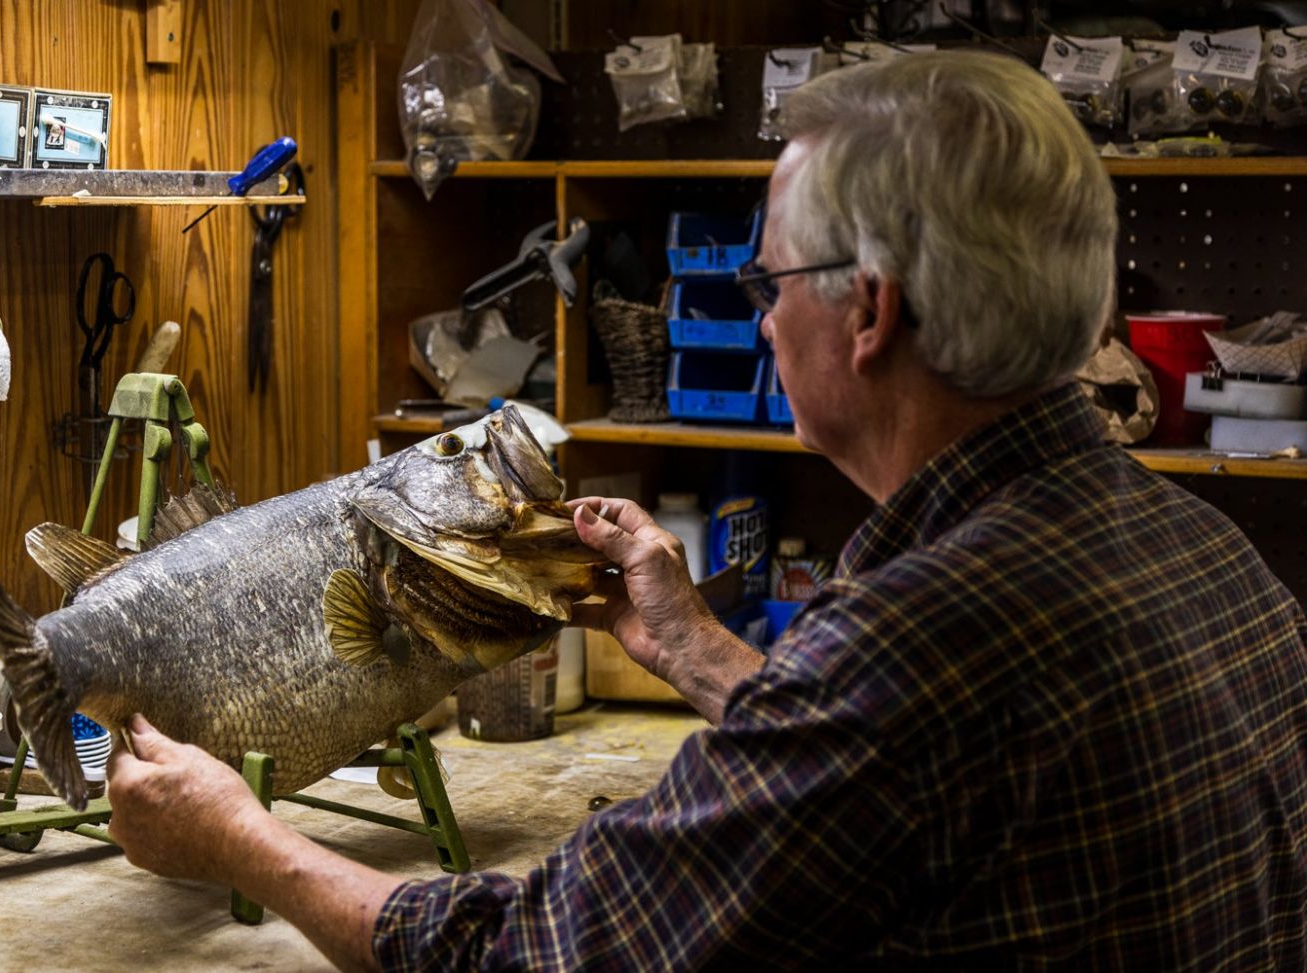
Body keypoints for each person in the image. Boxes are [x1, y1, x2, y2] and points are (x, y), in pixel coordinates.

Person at [107, 50, 1307, 970]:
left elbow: (538, 951)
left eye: (764, 282)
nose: (762, 317)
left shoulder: (914, 643)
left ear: (868, 312)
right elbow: (898, 779)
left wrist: (239, 839)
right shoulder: (1198, 548)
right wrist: (689, 645)